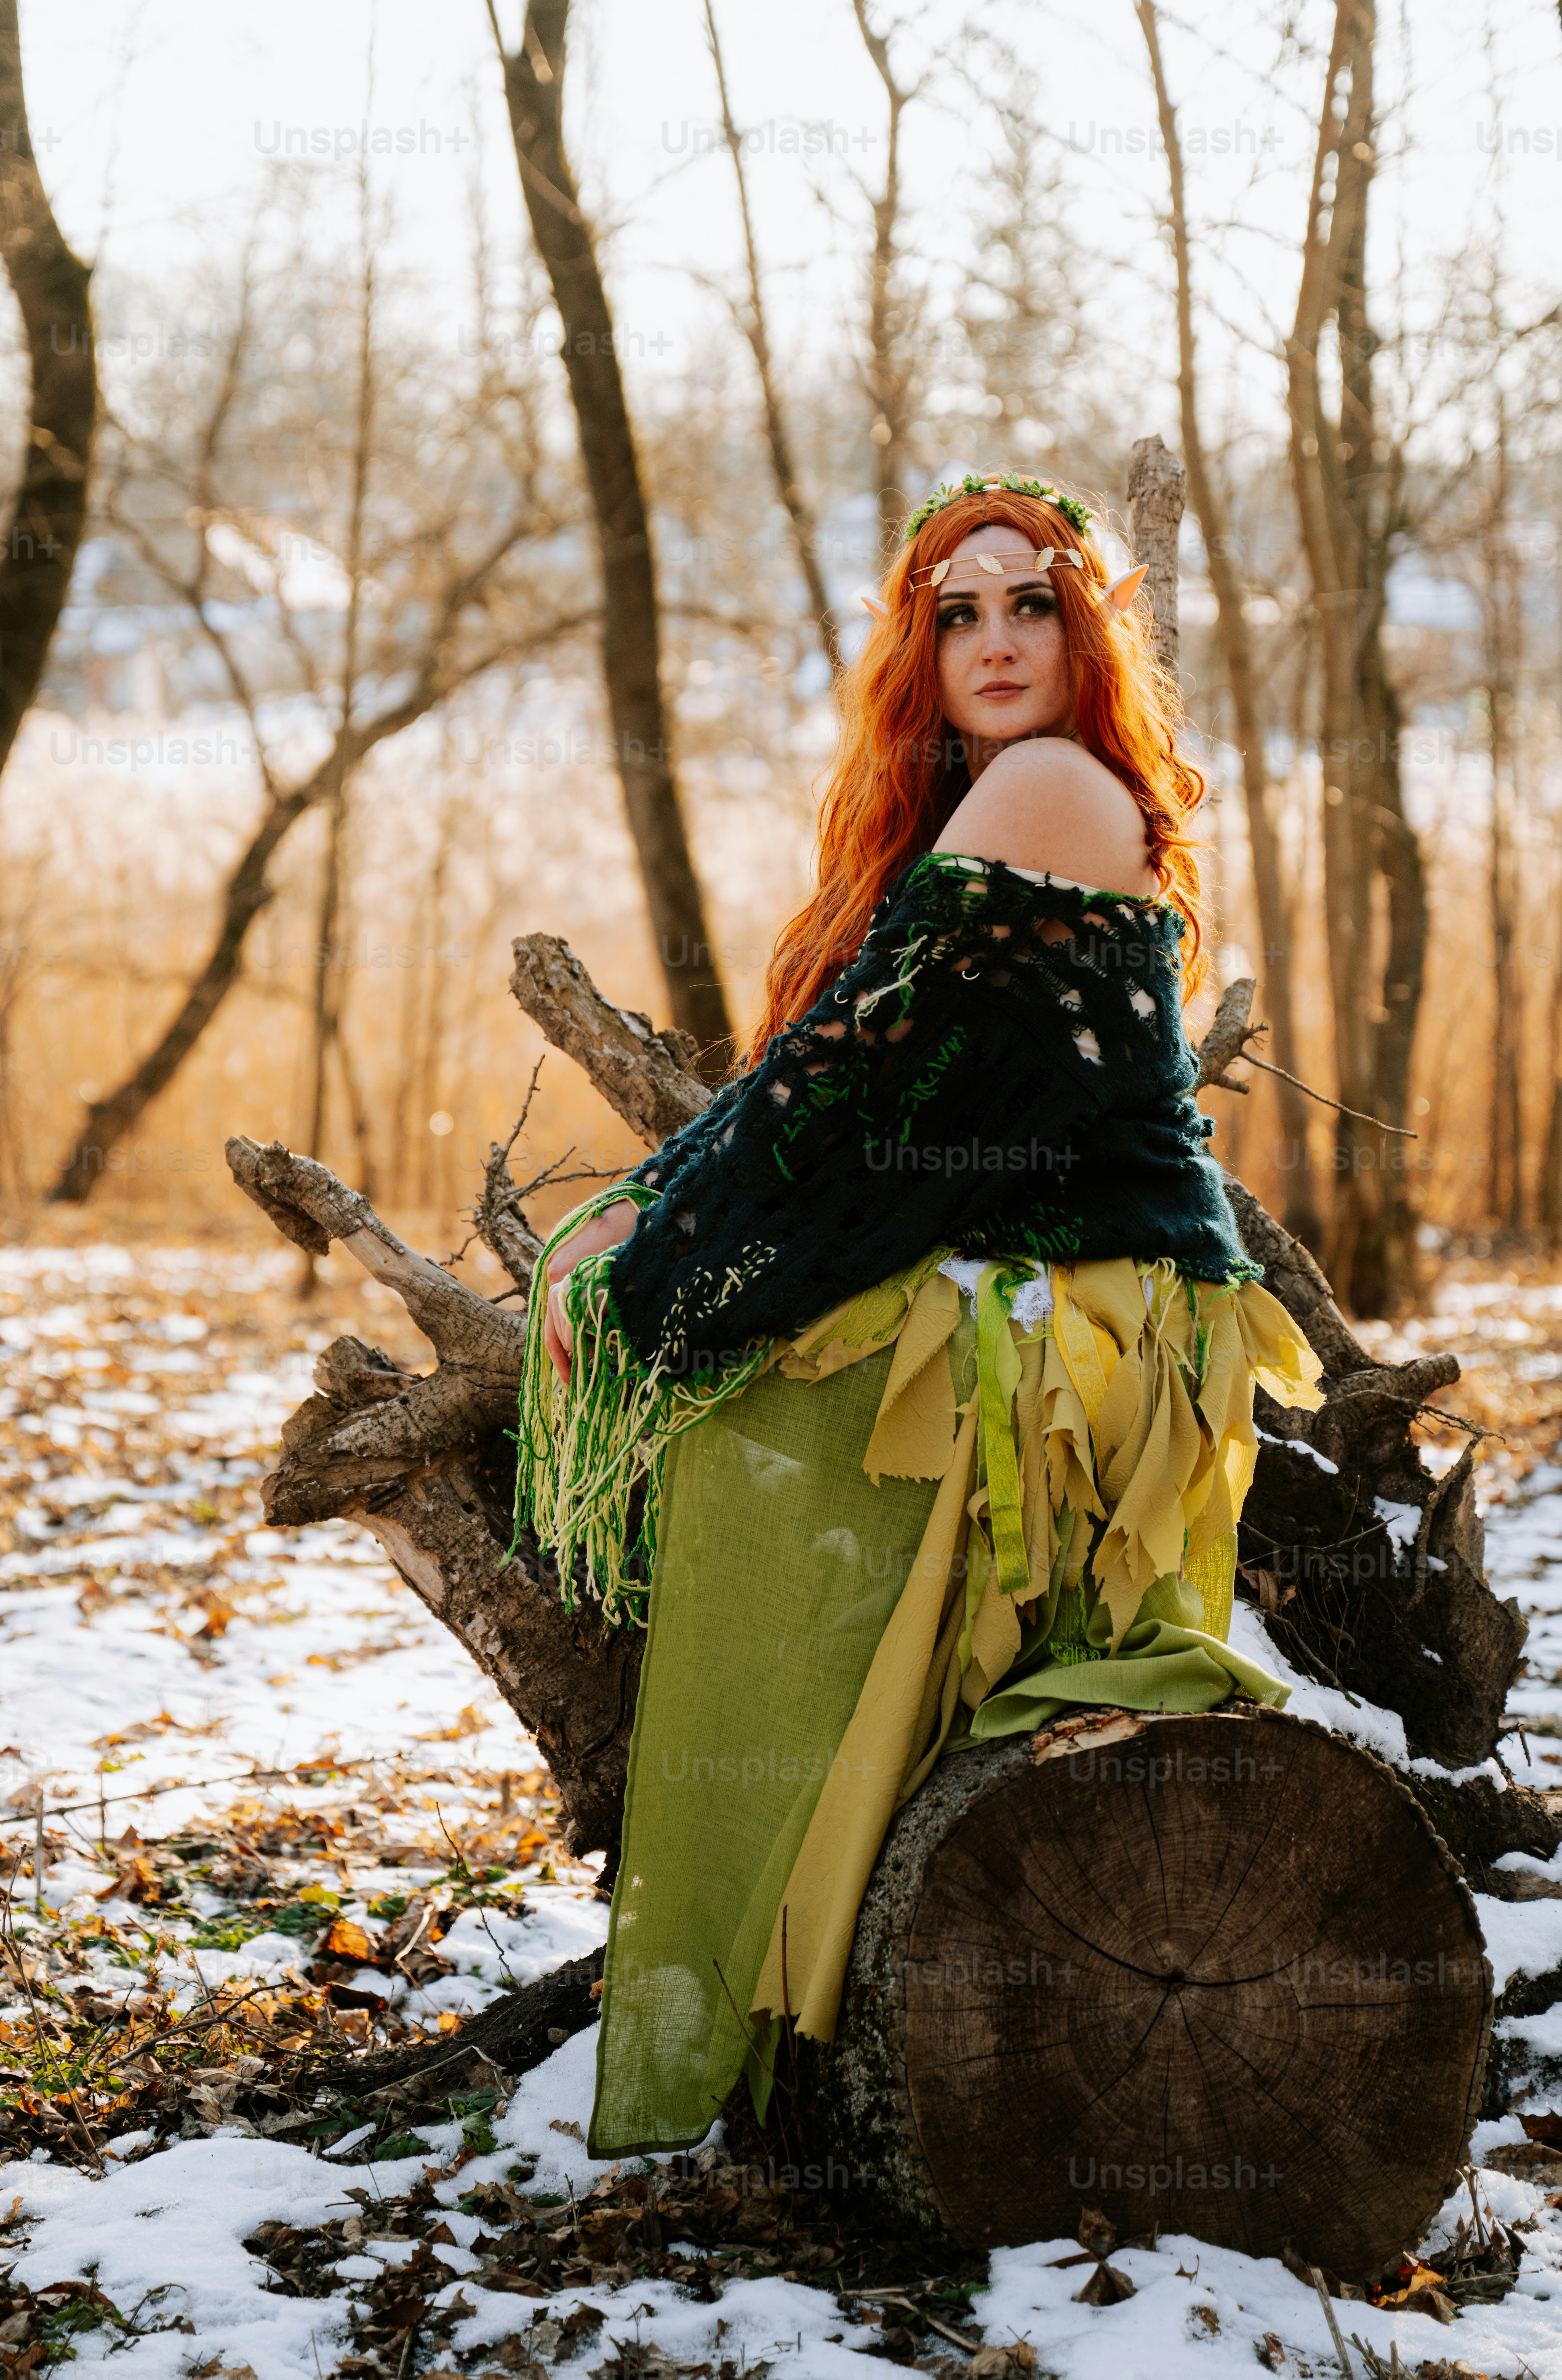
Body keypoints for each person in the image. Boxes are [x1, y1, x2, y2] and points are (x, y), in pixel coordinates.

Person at [514, 475, 1320, 2159]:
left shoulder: (1045, 786)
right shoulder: (981, 802)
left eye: (1032, 605)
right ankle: (797, 1950)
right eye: (957, 616)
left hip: (1109, 1335)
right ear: (920, 651)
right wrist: (647, 1220)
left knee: (771, 1385)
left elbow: (849, 1097)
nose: (995, 642)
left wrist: (650, 1273)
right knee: (777, 1367)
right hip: (1072, 1291)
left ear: (1085, 634)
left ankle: (773, 1971)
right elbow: (831, 1082)